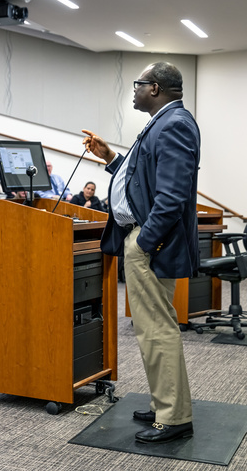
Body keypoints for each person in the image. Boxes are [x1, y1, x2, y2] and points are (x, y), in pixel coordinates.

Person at [82, 61, 199, 444]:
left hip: (149, 243)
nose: (133, 89)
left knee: (156, 330)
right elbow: (141, 179)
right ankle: (164, 403)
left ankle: (173, 416)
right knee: (151, 329)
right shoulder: (162, 121)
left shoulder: (175, 124)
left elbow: (172, 195)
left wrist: (145, 242)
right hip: (145, 240)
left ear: (155, 88)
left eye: (138, 83)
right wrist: (110, 158)